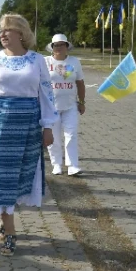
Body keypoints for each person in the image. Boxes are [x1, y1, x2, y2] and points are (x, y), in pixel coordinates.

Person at [0, 14, 56, 256]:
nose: (2, 35)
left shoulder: (37, 60)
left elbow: (46, 94)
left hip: (27, 127)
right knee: (1, 177)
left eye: (7, 30)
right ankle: (10, 231)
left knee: (19, 178)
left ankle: (4, 218)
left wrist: (48, 126)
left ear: (21, 33)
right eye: (1, 32)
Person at [44, 34, 86, 176]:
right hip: (51, 107)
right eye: (56, 45)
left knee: (71, 134)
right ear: (52, 47)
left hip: (70, 106)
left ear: (67, 46)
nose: (59, 48)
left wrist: (81, 101)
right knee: (54, 137)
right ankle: (56, 164)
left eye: (62, 45)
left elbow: (80, 83)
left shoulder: (74, 62)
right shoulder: (45, 62)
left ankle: (72, 165)